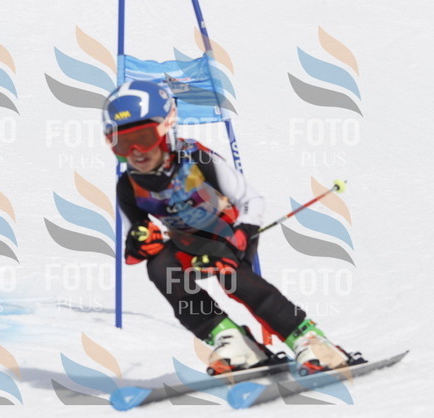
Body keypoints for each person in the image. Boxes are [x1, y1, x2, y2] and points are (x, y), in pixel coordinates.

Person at [102, 80, 358, 376]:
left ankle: (310, 339)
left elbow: (251, 199)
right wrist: (140, 242)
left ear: (167, 126)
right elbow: (137, 234)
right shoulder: (128, 186)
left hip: (227, 232)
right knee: (161, 268)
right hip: (186, 242)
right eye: (122, 143)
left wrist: (240, 235)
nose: (135, 152)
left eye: (144, 138)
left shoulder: (196, 159)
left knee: (232, 278)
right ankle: (233, 341)